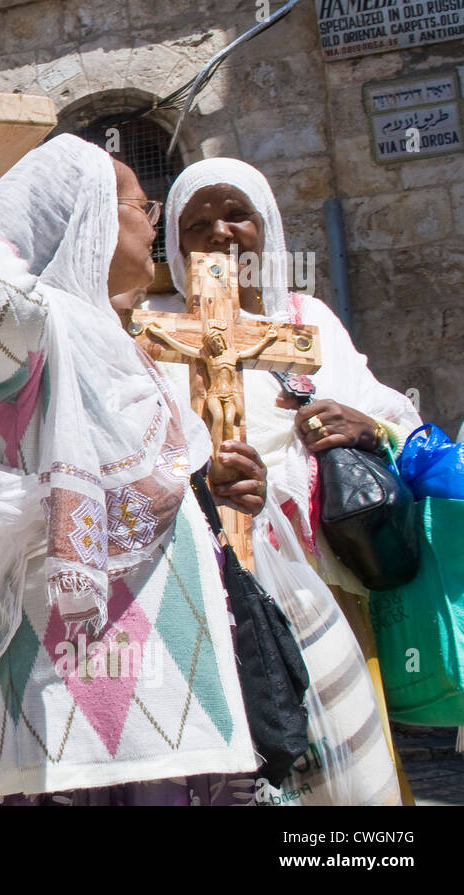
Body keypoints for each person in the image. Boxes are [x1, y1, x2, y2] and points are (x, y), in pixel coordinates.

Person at [0, 131, 267, 804]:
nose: (151, 222)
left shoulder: (111, 345)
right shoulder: (29, 346)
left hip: (174, 710)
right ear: (84, 213)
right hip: (72, 718)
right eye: (137, 203)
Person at [159, 157, 424, 804]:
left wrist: (363, 425)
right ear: (174, 241)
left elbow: (397, 416)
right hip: (208, 591)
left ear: (267, 226)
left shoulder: (308, 320)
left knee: (346, 772)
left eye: (236, 214)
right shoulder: (155, 330)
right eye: (197, 222)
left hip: (323, 587)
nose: (220, 232)